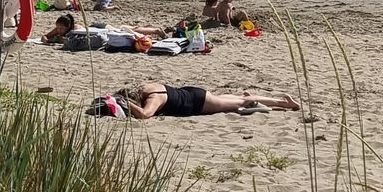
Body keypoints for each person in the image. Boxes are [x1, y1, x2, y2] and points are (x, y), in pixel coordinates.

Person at [112, 81, 300, 118]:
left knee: (242, 103)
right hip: (193, 92)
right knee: (238, 98)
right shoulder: (147, 87)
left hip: (198, 103)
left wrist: (126, 104)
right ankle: (249, 98)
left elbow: (145, 114)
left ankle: (284, 103)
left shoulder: (153, 98)